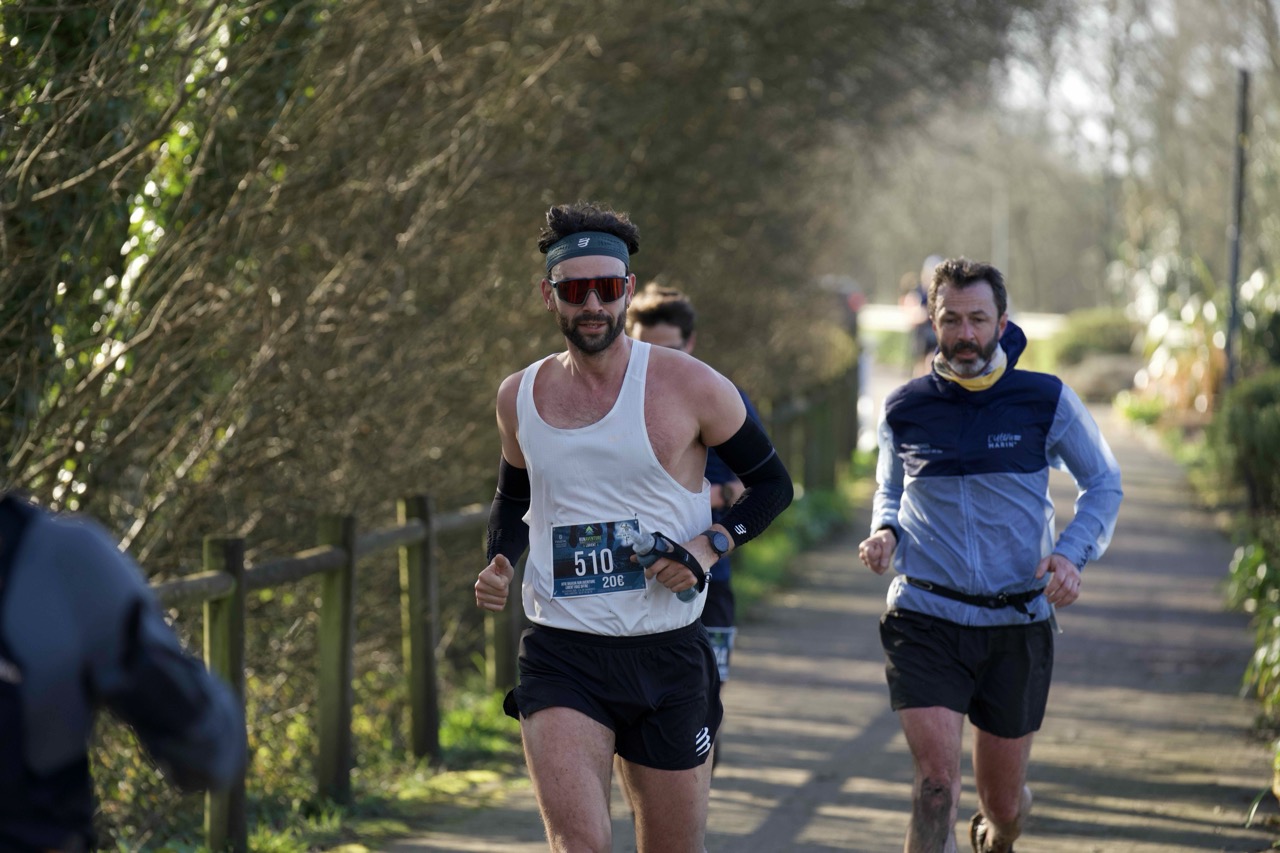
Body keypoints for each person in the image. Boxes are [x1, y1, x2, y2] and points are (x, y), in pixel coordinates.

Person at [474, 201, 793, 853]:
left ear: (627, 289)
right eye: (575, 290)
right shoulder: (518, 396)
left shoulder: (692, 385)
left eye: (607, 288)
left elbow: (773, 486)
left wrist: (708, 546)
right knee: (580, 844)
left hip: (667, 651)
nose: (592, 304)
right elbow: (513, 497)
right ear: (549, 295)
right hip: (563, 651)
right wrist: (500, 560)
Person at [858, 257, 1122, 853]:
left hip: (1017, 622)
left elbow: (1104, 481)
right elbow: (890, 490)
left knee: (1002, 804)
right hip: (926, 616)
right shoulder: (904, 407)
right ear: (932, 323)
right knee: (934, 787)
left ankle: (998, 834)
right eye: (951, 320)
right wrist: (885, 531)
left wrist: (1070, 555)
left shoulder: (1043, 399)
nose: (965, 334)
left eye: (978, 319)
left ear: (1002, 323)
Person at [0, 491, 247, 851]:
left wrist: (141, 663)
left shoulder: (57, 561)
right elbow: (214, 749)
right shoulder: (62, 562)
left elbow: (213, 750)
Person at [626, 283, 761, 708]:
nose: (658, 362)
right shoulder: (613, 404)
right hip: (630, 580)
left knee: (706, 699)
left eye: (670, 350)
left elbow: (763, 484)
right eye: (646, 349)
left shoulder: (720, 397)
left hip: (710, 576)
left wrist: (716, 496)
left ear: (691, 343)